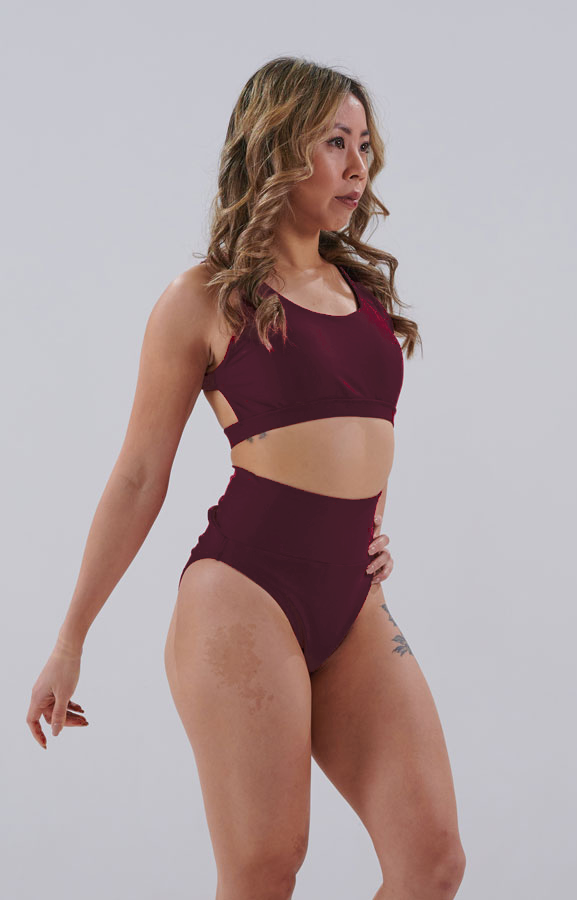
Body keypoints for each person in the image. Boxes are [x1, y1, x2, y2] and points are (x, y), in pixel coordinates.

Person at [27, 56, 466, 900]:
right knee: (265, 867)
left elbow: (366, 429)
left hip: (353, 601)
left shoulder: (360, 291)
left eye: (364, 144)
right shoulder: (204, 297)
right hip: (244, 594)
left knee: (431, 861)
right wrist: (70, 641)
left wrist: (372, 525)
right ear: (276, 147)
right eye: (334, 142)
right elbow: (139, 474)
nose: (357, 165)